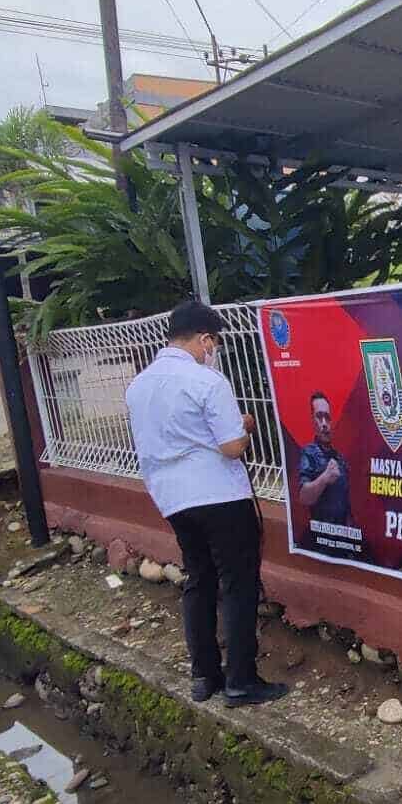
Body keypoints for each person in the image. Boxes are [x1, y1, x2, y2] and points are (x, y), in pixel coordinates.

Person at [125, 301, 288, 708]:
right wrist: (246, 427)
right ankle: (241, 682)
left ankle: (204, 677)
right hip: (219, 497)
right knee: (238, 584)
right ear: (204, 339)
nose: (211, 351)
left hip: (173, 499)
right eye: (212, 343)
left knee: (198, 581)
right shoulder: (207, 380)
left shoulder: (138, 386)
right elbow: (231, 447)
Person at [298, 391, 351, 528]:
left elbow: (346, 501)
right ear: (312, 419)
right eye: (319, 417)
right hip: (322, 537)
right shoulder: (308, 453)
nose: (324, 424)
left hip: (345, 537)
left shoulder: (340, 459)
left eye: (327, 418)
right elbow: (304, 497)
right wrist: (324, 478)